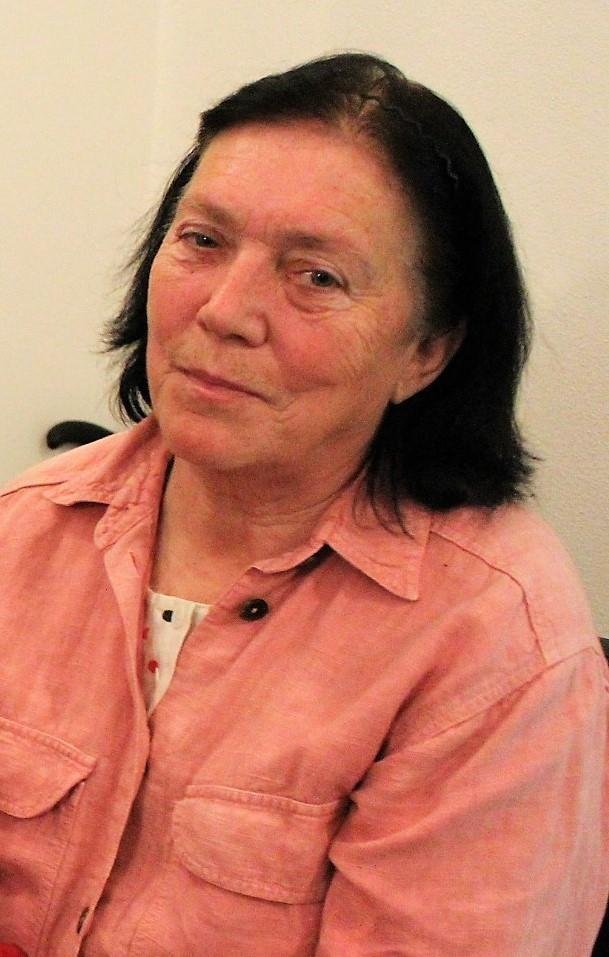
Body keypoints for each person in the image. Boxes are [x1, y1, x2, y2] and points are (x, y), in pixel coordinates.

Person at [0, 52, 607, 957]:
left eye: (316, 276)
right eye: (202, 241)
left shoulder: (494, 639)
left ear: (426, 352)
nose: (224, 310)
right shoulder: (24, 527)